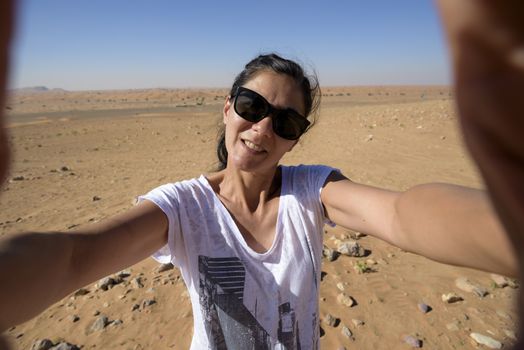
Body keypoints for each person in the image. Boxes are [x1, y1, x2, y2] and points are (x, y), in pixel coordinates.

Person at [0, 1, 522, 349]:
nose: (262, 127)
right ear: (227, 108)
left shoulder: (311, 191)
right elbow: (74, 257)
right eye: (251, 105)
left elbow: (404, 215)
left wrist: (510, 226)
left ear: (297, 136)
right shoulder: (183, 207)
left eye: (286, 121)